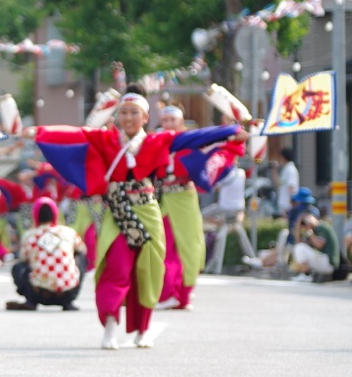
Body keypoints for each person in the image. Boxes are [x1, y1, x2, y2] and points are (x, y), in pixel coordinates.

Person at [23, 88, 248, 350]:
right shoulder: (106, 140)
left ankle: (144, 328)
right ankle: (109, 326)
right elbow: (76, 134)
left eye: (134, 113)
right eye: (124, 113)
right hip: (117, 211)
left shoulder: (157, 142)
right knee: (115, 267)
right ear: (117, 116)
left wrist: (231, 132)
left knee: (150, 269)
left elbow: (196, 137)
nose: (128, 118)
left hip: (148, 209)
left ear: (144, 117)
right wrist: (38, 132)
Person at [153, 105, 205, 311]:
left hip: (184, 197)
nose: (168, 124)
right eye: (165, 120)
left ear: (181, 122)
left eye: (172, 120)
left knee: (190, 246)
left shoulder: (190, 143)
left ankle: (184, 294)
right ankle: (167, 293)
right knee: (164, 248)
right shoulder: (156, 142)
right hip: (163, 199)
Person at [5, 196, 86, 311]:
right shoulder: (68, 232)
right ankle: (68, 301)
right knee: (81, 258)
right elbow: (82, 249)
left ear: (35, 215)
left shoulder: (30, 235)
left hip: (39, 293)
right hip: (65, 293)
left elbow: (24, 259)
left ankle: (30, 301)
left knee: (18, 267)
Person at [290, 212, 338, 282]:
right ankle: (306, 275)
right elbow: (299, 243)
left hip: (328, 262)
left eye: (307, 219)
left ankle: (306, 275)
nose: (306, 222)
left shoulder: (322, 227)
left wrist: (310, 232)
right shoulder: (312, 230)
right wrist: (298, 228)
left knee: (300, 248)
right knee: (299, 248)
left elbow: (319, 245)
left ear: (313, 217)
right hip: (322, 260)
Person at [275, 146, 299, 218]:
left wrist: (292, 204)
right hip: (284, 204)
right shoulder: (286, 169)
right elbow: (279, 184)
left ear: (283, 157)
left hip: (288, 205)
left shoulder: (291, 169)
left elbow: (291, 187)